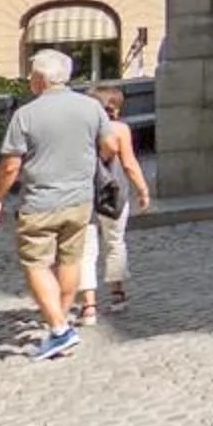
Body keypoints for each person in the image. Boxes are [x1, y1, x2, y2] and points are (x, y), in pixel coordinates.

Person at [0, 48, 109, 362]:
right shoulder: (91, 108)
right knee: (70, 260)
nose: (28, 79)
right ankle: (61, 324)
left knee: (36, 264)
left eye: (31, 74)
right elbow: (107, 145)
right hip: (80, 199)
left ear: (40, 79)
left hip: (40, 200)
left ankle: (58, 328)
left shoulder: (26, 114)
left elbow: (10, 165)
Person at [76, 83, 152, 323]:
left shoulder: (80, 131)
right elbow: (129, 163)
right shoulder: (119, 130)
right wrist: (142, 189)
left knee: (85, 251)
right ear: (116, 108)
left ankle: (88, 307)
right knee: (115, 242)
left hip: (84, 193)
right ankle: (118, 294)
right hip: (114, 192)